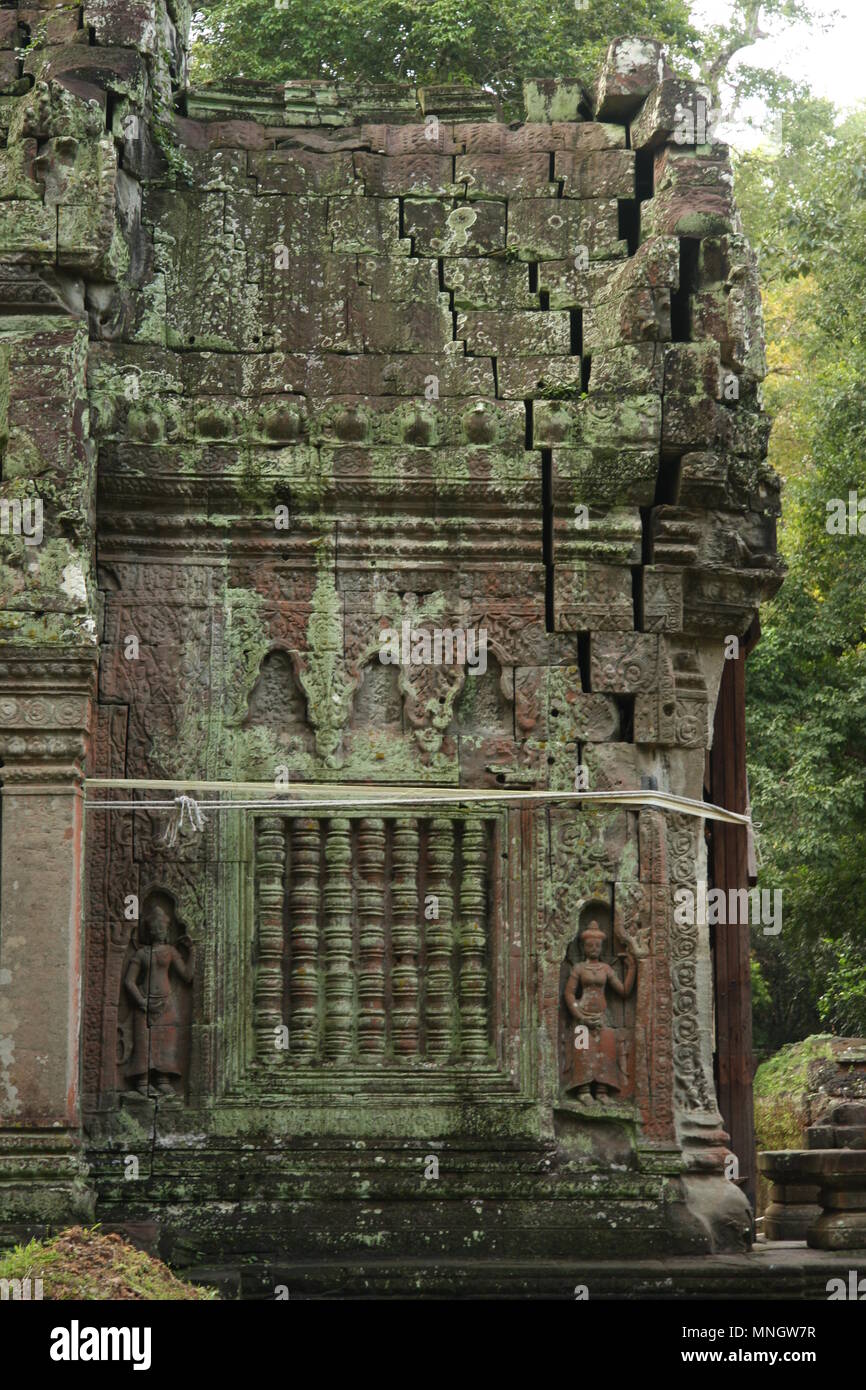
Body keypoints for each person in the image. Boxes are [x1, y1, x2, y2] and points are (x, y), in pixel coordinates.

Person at [124, 900, 195, 1097]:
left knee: (166, 1042)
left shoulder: (171, 952)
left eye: (163, 926)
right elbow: (129, 981)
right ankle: (143, 1080)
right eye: (157, 927)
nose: (160, 930)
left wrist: (192, 951)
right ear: (150, 930)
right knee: (144, 1042)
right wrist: (141, 1001)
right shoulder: (141, 953)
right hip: (144, 1003)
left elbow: (187, 976)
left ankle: (163, 1078)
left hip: (166, 1004)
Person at [563, 920, 635, 1104]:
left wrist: (632, 968)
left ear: (601, 947)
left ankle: (602, 1090)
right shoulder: (579, 968)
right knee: (582, 1047)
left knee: (607, 1044)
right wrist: (580, 1016)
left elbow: (624, 991)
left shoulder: (606, 969)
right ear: (583, 947)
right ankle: (583, 1089)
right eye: (590, 945)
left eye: (597, 945)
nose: (594, 948)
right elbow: (569, 993)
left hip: (603, 1016)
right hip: (582, 1016)